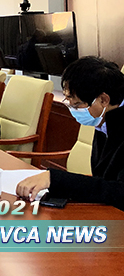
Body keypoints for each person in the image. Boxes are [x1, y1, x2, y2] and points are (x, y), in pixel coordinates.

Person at [16, 57, 124, 208]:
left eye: (78, 105)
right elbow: (103, 179)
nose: (74, 111)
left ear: (103, 100)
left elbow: (120, 191)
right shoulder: (106, 119)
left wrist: (56, 179)